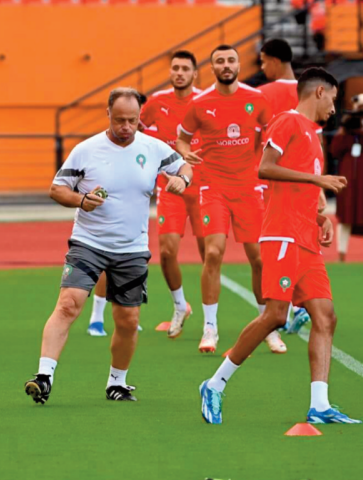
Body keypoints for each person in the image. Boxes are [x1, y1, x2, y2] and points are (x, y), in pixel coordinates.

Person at [200, 68, 361, 425]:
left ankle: (319, 405)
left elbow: (306, 186)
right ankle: (214, 383)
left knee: (325, 316)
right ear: (319, 92)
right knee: (275, 315)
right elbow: (265, 168)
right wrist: (316, 179)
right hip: (282, 235)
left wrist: (321, 217)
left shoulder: (314, 135)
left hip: (306, 238)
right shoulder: (287, 122)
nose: (334, 109)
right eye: (332, 100)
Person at [24, 88, 192, 405]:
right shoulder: (86, 150)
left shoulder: (154, 148)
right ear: (108, 115)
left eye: (133, 120)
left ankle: (117, 382)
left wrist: (183, 180)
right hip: (88, 242)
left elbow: (184, 167)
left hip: (131, 248)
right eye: (120, 120)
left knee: (127, 320)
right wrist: (81, 200)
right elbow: (57, 189)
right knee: (69, 304)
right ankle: (44, 377)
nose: (126, 126)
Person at [176, 45, 287, 355]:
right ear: (213, 68)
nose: (226, 65)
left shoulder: (257, 99)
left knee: (260, 258)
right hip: (213, 188)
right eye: (220, 61)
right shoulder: (201, 103)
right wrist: (186, 152)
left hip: (249, 188)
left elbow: (274, 133)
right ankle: (209, 328)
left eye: (231, 60)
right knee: (214, 252)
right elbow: (182, 137)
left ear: (239, 64)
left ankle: (268, 326)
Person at [133, 50, 205, 338]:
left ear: (194, 73)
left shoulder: (205, 101)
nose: (179, 73)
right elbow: (140, 134)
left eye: (185, 68)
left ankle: (210, 322)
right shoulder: (156, 103)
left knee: (209, 254)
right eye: (175, 68)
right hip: (170, 187)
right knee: (166, 252)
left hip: (203, 187)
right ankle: (179, 306)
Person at [259, 37, 316, 335]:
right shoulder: (308, 95)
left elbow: (260, 141)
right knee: (301, 245)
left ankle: (280, 308)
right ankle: (299, 304)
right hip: (307, 186)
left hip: (273, 187)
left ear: (275, 60)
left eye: (263, 61)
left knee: (266, 250)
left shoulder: (262, 94)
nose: (261, 67)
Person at [330, 97, 363, 263]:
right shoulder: (347, 131)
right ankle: (341, 255)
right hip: (349, 182)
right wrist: (346, 125)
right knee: (346, 216)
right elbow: (334, 150)